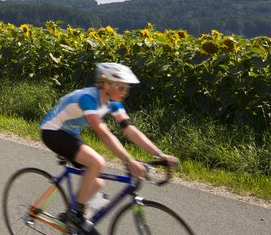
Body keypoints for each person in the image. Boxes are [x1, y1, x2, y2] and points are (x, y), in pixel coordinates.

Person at [39, 63, 179, 235]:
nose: (124, 92)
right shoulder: (88, 99)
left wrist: (160, 154)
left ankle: (70, 217)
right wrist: (129, 161)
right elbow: (104, 134)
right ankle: (75, 215)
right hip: (52, 131)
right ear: (105, 84)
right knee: (97, 162)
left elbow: (130, 131)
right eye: (120, 87)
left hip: (70, 132)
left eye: (126, 88)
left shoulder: (113, 103)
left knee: (97, 183)